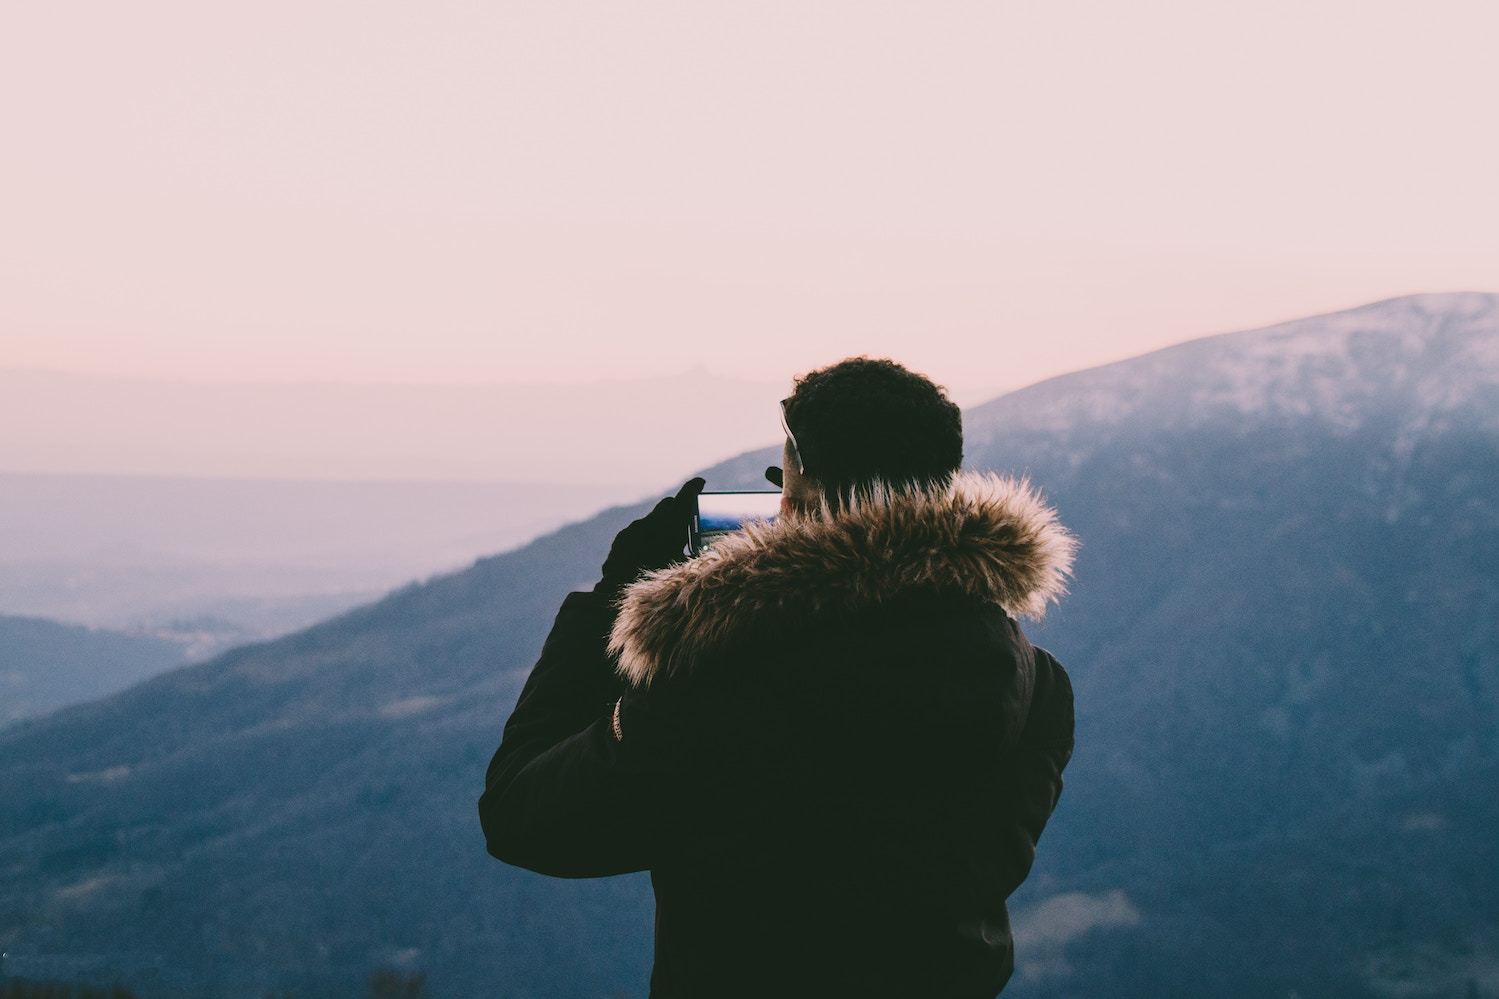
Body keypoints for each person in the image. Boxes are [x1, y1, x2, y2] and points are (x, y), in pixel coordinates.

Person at [478, 356, 1078, 998]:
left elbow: (522, 817)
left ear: (803, 492)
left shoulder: (725, 690)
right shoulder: (1036, 687)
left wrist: (608, 605)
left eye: (784, 473)